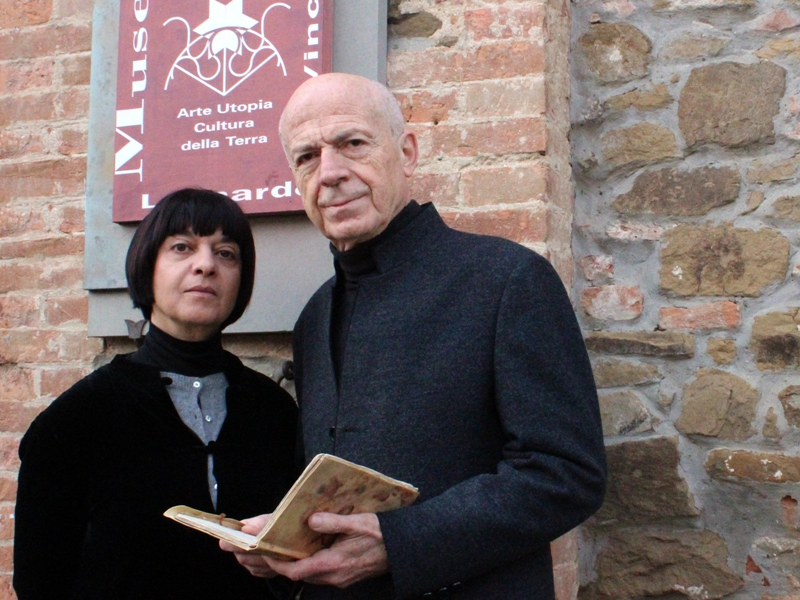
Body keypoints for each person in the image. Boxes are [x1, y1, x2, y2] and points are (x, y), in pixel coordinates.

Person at [224, 73, 607, 600]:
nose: (330, 173)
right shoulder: (314, 316)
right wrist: (287, 540)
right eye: (307, 157)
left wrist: (402, 544)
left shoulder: (507, 279)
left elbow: (566, 473)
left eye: (352, 143)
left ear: (406, 152)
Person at [13, 189, 298, 599]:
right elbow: (40, 580)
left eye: (226, 253)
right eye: (182, 247)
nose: (206, 265)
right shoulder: (77, 419)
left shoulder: (274, 411)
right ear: (147, 266)